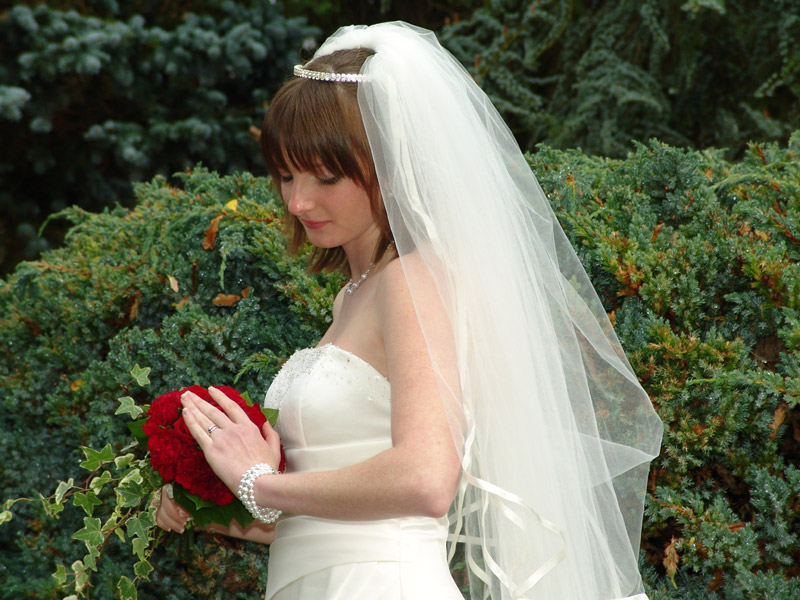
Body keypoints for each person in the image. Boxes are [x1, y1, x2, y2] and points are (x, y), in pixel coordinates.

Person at [156, 21, 663, 600]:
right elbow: (329, 521)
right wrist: (203, 506)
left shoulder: (411, 281)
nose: (298, 201)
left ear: (390, 165)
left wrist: (257, 482)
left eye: (326, 176)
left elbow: (425, 481)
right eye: (286, 174)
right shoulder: (357, 292)